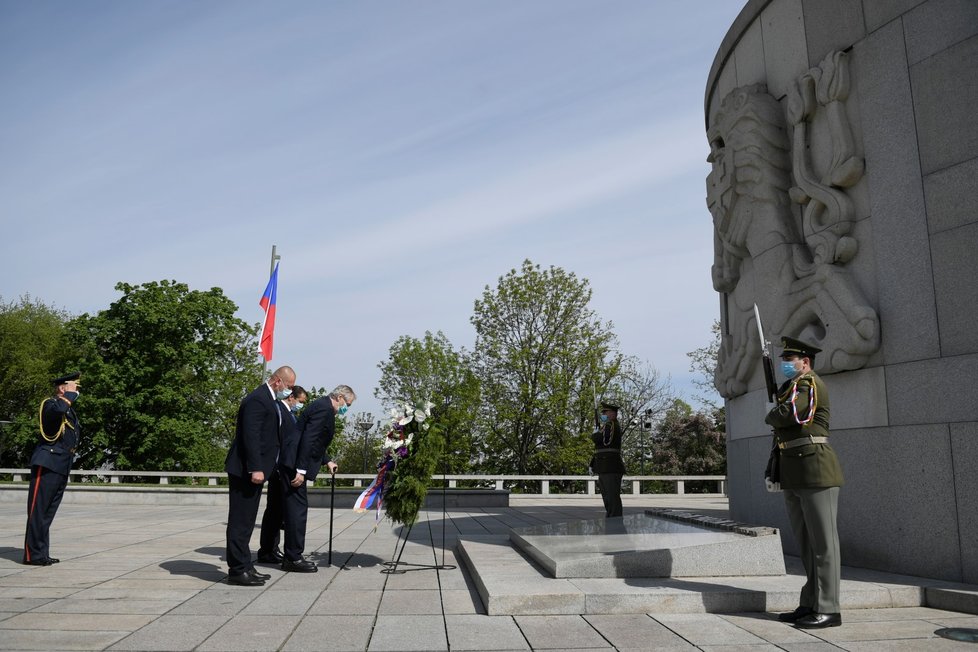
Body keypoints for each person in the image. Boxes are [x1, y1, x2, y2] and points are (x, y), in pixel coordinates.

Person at [766, 337, 844, 629]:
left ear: (805, 362)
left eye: (790, 360)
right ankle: (810, 601)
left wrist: (771, 411)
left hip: (815, 467)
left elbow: (793, 415)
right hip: (794, 468)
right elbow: (781, 433)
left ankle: (829, 607)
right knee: (807, 544)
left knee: (824, 544)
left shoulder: (809, 383)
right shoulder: (792, 388)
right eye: (784, 360)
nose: (785, 364)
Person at [224, 366, 296, 586]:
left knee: (247, 521)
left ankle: (245, 565)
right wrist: (255, 467)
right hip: (246, 471)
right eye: (289, 386)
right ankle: (237, 570)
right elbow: (251, 436)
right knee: (240, 521)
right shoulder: (258, 399)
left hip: (256, 470)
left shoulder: (268, 399)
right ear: (277, 381)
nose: (290, 391)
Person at [277, 385, 356, 572]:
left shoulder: (322, 405)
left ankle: (292, 554)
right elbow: (309, 439)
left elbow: (317, 441)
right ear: (339, 397)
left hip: (294, 460)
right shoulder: (324, 408)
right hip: (295, 464)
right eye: (348, 404)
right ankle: (293, 558)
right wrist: (301, 470)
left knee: (295, 509)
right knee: (297, 511)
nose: (347, 408)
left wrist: (327, 460)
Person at [23, 371, 82, 565]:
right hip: (47, 463)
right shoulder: (49, 404)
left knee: (47, 513)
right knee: (38, 511)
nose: (76, 390)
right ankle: (33, 555)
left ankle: (41, 553)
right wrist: (69, 395)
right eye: (73, 386)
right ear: (62, 388)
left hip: (61, 464)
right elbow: (56, 412)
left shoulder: (67, 409)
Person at [257, 385, 307, 565]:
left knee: (277, 513)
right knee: (274, 512)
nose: (300, 405)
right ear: (292, 397)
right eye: (300, 402)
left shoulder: (291, 415)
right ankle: (266, 550)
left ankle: (270, 549)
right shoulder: (280, 412)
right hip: (279, 469)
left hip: (283, 469)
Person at [590, 402, 626, 518]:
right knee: (607, 497)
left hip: (610, 466)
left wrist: (595, 435)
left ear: (612, 413)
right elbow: (600, 449)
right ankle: (612, 519)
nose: (603, 414)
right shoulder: (607, 425)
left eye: (605, 412)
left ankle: (615, 520)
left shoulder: (611, 425)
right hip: (605, 466)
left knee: (611, 497)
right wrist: (593, 463)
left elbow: (606, 441)